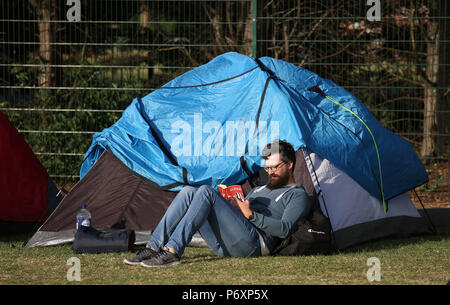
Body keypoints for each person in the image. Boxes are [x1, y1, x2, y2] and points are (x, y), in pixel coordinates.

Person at [124, 139, 311, 267]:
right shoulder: (260, 189)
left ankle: (172, 251)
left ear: (289, 165)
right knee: (189, 191)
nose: (270, 172)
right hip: (233, 239)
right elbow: (240, 214)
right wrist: (231, 204)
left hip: (255, 244)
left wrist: (251, 215)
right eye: (268, 167)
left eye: (275, 167)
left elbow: (285, 229)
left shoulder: (297, 194)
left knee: (206, 191)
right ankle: (153, 247)